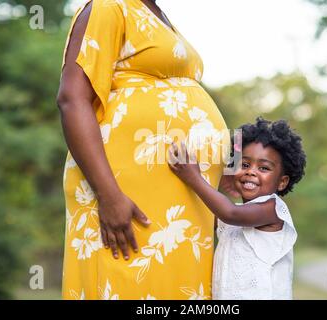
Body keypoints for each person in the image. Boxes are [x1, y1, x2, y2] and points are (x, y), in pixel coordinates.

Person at [56, 0, 231, 299]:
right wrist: (109, 195)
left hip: (182, 198)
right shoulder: (109, 7)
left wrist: (226, 163)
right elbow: (72, 99)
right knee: (130, 282)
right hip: (127, 190)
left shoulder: (160, 15)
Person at [168, 117, 307, 299]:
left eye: (264, 168)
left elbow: (229, 213)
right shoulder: (238, 214)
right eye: (245, 164)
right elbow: (210, 213)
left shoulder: (272, 210)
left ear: (282, 182)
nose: (251, 171)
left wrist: (194, 177)